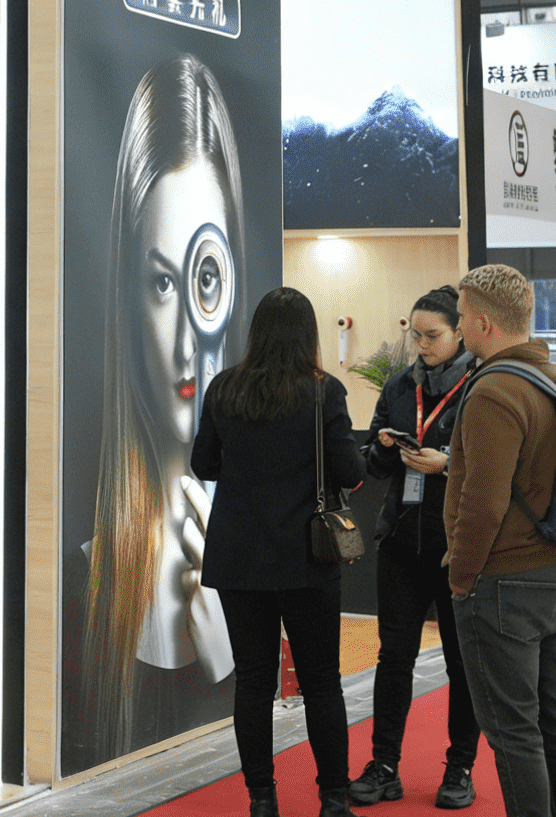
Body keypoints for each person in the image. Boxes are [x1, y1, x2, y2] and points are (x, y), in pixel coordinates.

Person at [83, 55, 252, 761]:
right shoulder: (86, 580)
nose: (186, 340)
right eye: (160, 285)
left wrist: (231, 658)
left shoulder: (252, 522)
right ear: (127, 296)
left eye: (205, 276)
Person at [191, 287, 366, 817]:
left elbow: (204, 463)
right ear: (309, 334)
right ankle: (333, 798)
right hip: (306, 555)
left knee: (252, 680)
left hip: (238, 556)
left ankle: (262, 799)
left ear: (257, 331)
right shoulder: (323, 392)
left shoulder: (224, 388)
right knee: (321, 681)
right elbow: (350, 471)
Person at [445, 264, 556, 817]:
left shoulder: (494, 391)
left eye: (461, 317)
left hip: (504, 582)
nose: (458, 326)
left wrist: (461, 577)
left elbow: (483, 501)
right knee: (554, 717)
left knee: (513, 730)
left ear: (483, 322)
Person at [351, 288, 480, 809]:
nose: (423, 345)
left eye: (433, 335)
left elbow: (497, 464)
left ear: (460, 332)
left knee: (461, 663)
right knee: (393, 658)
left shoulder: (482, 384)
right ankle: (384, 765)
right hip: (402, 542)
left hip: (458, 545)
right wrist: (385, 448)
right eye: (417, 335)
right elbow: (370, 463)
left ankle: (460, 767)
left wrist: (447, 464)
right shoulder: (401, 385)